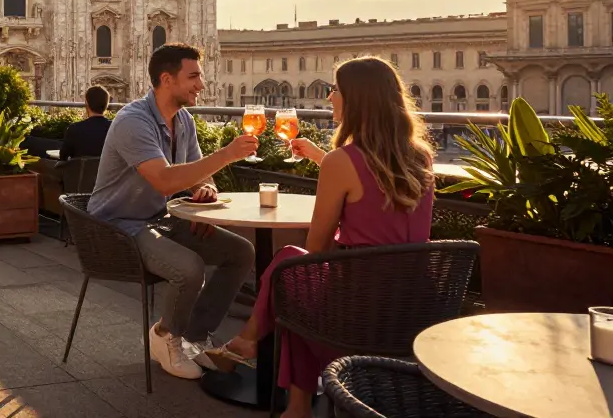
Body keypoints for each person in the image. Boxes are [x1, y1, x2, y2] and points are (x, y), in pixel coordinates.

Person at [208, 57, 435, 418]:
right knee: (293, 271)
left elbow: (316, 248)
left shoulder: (341, 162)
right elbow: (377, 191)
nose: (329, 97)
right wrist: (321, 158)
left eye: (335, 90)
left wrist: (328, 165)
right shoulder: (421, 157)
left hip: (356, 315)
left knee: (291, 271)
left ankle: (259, 357)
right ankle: (259, 359)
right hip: (413, 305)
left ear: (357, 99)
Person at [87, 43, 258, 380]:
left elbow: (198, 174)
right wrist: (227, 154)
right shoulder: (133, 121)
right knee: (189, 268)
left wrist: (205, 192)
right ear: (167, 79)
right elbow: (164, 181)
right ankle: (166, 336)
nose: (201, 84)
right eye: (193, 76)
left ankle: (194, 336)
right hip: (116, 228)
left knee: (241, 252)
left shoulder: (184, 121)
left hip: (158, 220)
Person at [59, 85, 113, 160]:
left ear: (86, 103)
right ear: (106, 105)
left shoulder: (74, 129)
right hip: (107, 168)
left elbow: (63, 157)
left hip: (79, 168)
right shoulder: (115, 128)